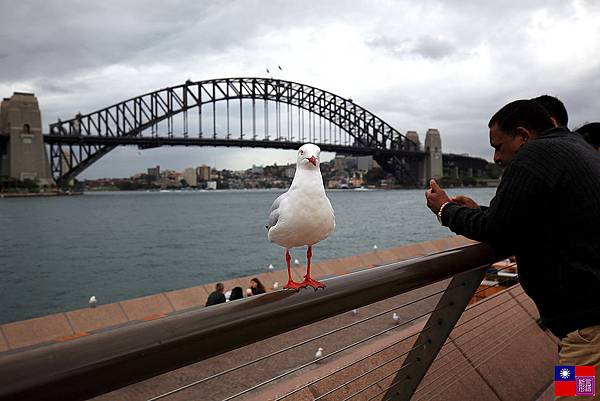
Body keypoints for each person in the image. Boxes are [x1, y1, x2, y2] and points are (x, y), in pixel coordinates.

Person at [425, 99, 600, 374]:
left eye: (498, 146)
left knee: (577, 394)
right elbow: (522, 220)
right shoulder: (575, 148)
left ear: (522, 135)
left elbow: (500, 232)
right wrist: (478, 212)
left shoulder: (535, 154)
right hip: (579, 329)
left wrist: (445, 210)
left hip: (586, 334)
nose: (495, 158)